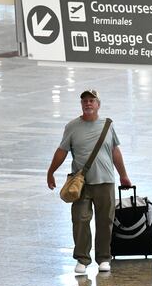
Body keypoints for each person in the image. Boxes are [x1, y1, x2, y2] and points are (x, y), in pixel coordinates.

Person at [47, 89, 131, 275]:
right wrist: (51, 171)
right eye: (85, 101)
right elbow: (62, 151)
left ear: (98, 104)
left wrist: (123, 175)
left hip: (105, 180)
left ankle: (103, 258)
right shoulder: (72, 127)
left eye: (92, 100)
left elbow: (115, 151)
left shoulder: (108, 126)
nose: (88, 103)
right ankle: (82, 259)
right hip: (81, 183)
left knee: (105, 221)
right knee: (80, 219)